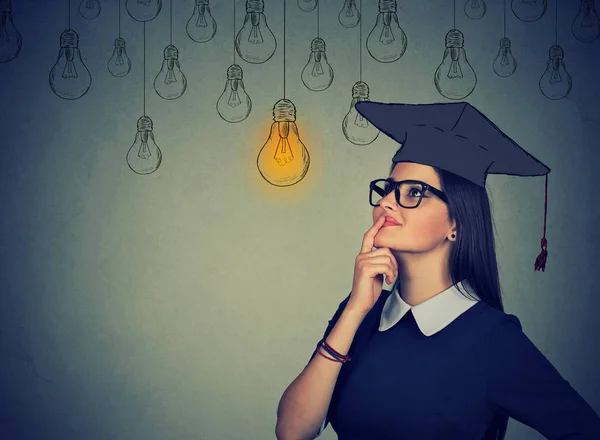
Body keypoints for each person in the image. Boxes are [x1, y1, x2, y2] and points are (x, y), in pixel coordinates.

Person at [275, 101, 600, 440]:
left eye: (414, 192)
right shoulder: (358, 314)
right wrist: (356, 310)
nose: (386, 202)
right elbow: (292, 432)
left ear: (456, 224)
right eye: (388, 189)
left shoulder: (492, 338)